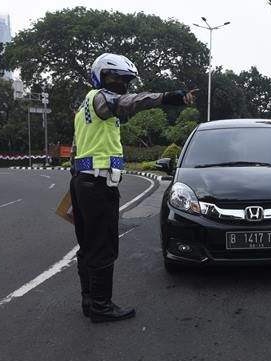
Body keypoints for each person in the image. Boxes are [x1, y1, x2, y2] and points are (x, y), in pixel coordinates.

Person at [70, 53, 196, 323]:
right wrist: (167, 97)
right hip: (98, 184)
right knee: (103, 246)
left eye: (125, 80)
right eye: (116, 78)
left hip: (84, 182)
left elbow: (77, 150)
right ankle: (102, 307)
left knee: (89, 244)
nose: (121, 85)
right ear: (101, 76)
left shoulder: (84, 107)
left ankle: (89, 301)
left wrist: (77, 184)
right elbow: (131, 102)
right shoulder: (101, 100)